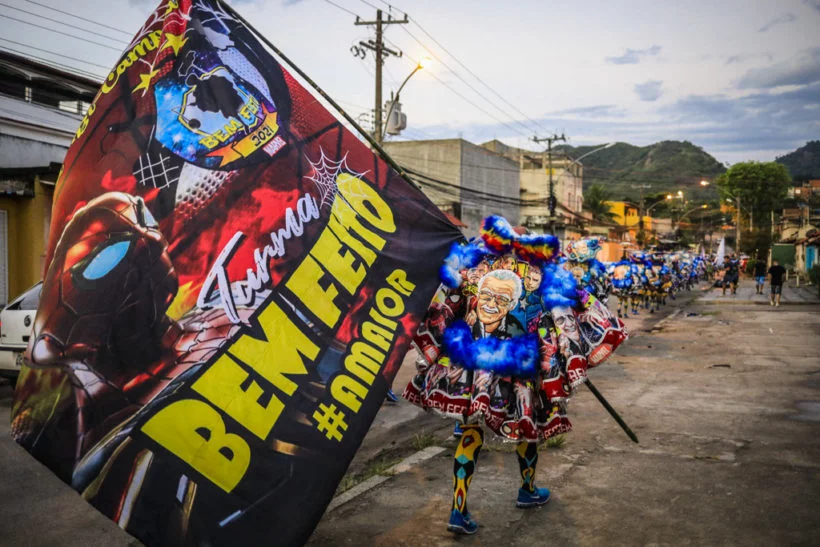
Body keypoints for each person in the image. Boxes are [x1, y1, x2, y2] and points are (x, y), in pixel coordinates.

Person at [403, 216, 628, 535]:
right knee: (528, 426)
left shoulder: (471, 267)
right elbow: (572, 305)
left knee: (471, 429)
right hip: (520, 365)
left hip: (473, 361)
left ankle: (458, 508)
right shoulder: (540, 271)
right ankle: (527, 490)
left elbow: (443, 304)